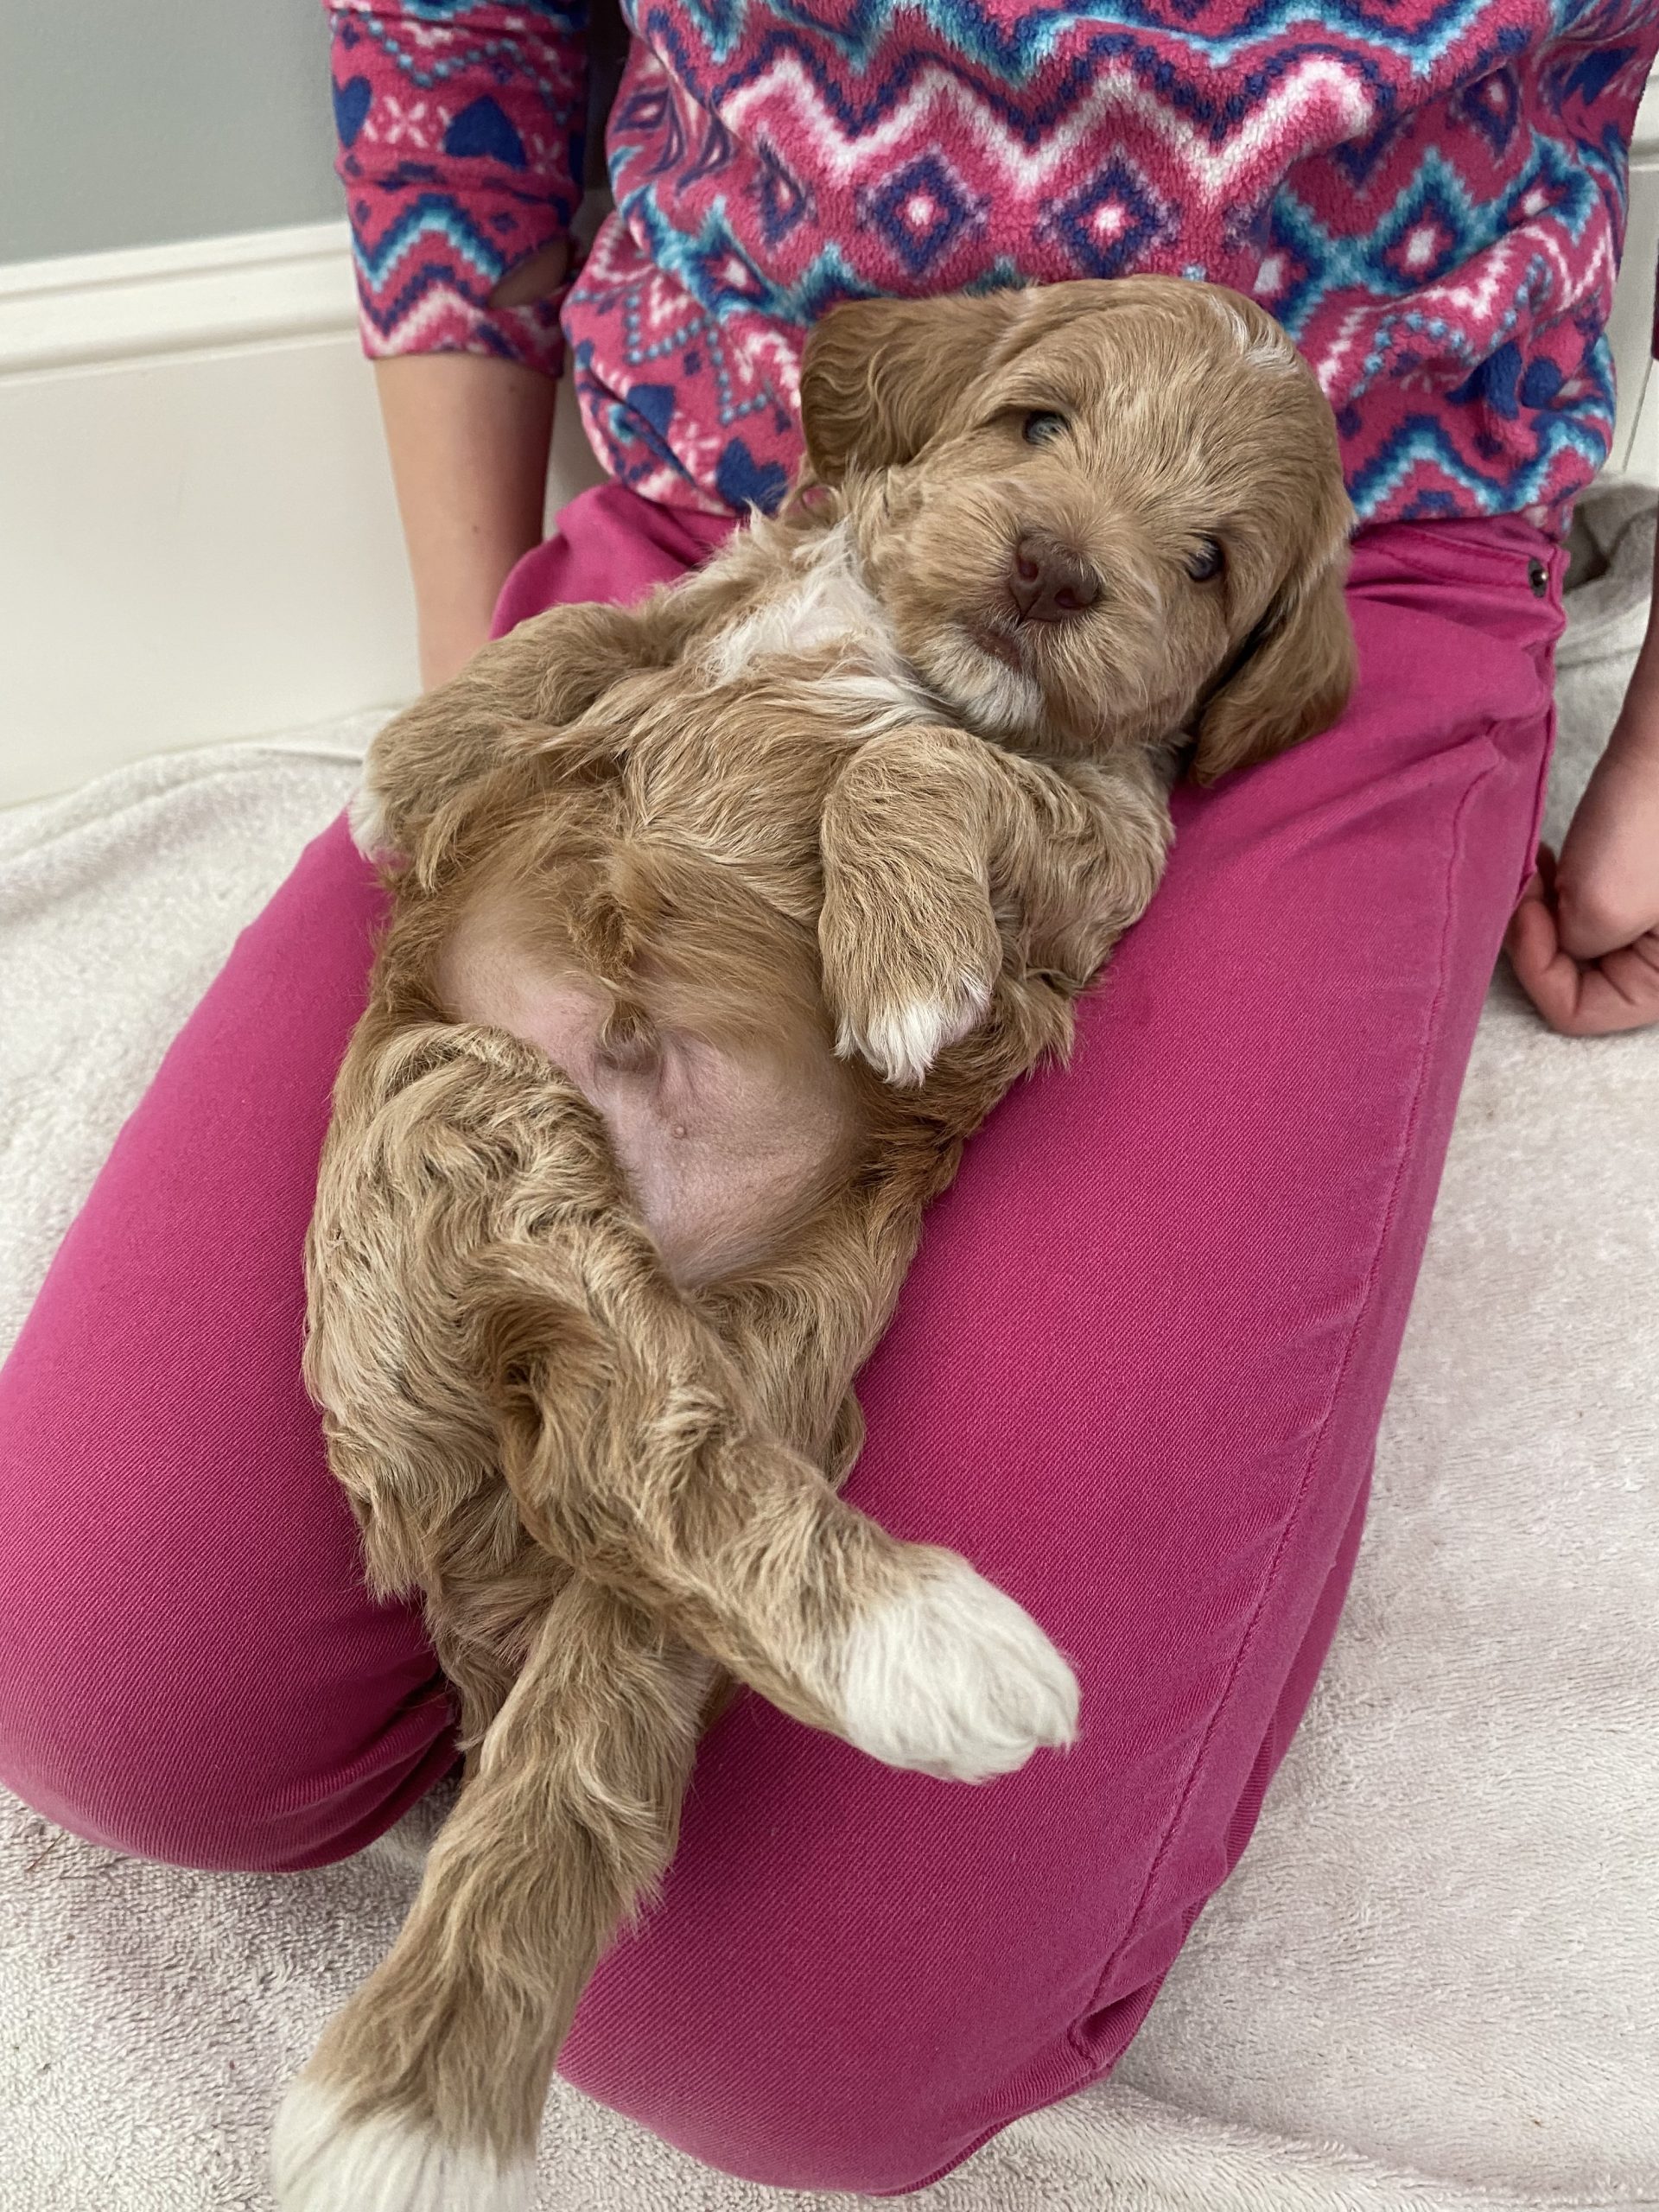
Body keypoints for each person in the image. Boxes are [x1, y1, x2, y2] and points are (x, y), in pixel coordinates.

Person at [2, 0, 1656, 2192]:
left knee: (802, 2035)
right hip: (743, 450)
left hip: (1348, 543)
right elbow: (455, 31)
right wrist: (493, 671)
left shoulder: (1259, 619)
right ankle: (696, 1525)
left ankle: (728, 1601)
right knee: (114, 1693)